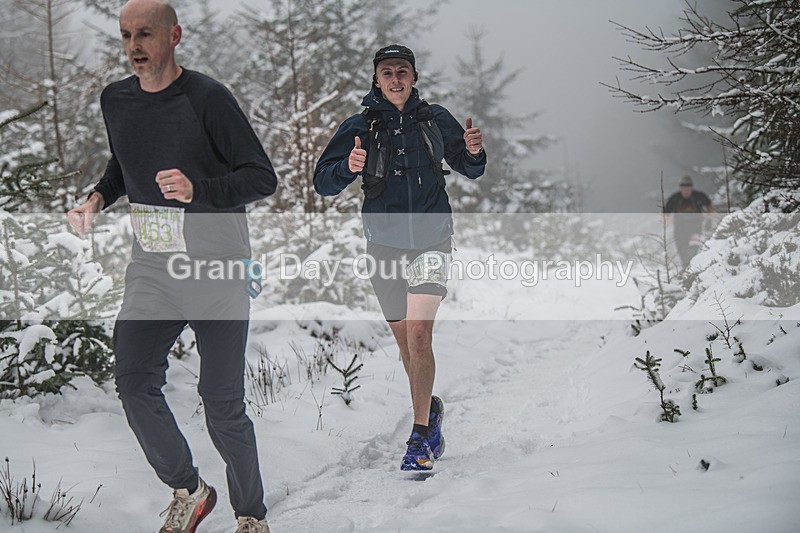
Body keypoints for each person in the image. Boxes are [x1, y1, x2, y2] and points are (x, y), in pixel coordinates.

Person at [67, 1, 275, 531]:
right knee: (134, 380)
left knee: (221, 403)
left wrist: (197, 190)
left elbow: (261, 177)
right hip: (153, 266)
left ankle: (251, 516)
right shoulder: (115, 100)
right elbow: (124, 163)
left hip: (218, 265)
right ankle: (189, 489)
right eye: (126, 36)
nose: (134, 46)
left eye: (145, 35)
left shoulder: (208, 99)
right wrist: (97, 197)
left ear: (174, 35)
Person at [313, 45, 486, 471]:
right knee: (406, 344)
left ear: (413, 77)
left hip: (431, 238)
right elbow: (322, 182)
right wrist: (348, 166)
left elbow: (470, 168)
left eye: (402, 71)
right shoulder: (359, 126)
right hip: (384, 244)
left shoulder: (435, 118)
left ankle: (420, 437)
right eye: (387, 72)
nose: (395, 79)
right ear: (377, 79)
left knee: (420, 337)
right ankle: (432, 413)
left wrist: (473, 150)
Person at [663, 175, 714, 268]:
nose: (686, 190)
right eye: (683, 187)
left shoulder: (699, 196)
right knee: (683, 254)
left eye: (688, 187)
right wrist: (669, 222)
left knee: (693, 253)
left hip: (695, 229)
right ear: (680, 188)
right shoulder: (674, 198)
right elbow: (665, 212)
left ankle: (693, 270)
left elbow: (709, 204)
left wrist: (709, 219)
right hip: (679, 231)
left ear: (691, 187)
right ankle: (686, 271)